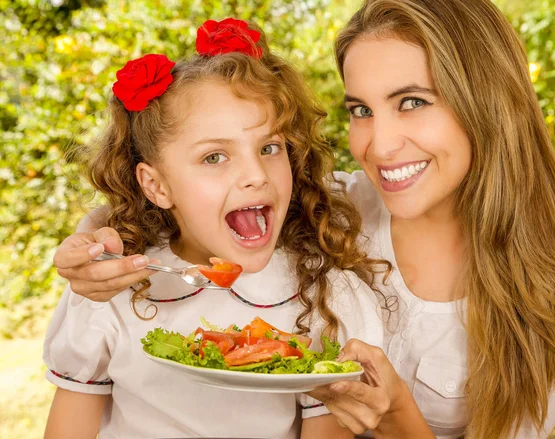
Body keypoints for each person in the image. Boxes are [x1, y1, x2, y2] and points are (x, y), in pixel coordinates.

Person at [43, 18, 399, 439]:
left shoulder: (321, 294)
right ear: (155, 185)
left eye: (269, 148)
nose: (256, 175)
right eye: (214, 157)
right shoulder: (110, 290)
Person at [305, 0, 555, 438]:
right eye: (361, 111)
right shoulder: (328, 211)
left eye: (411, 102)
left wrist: (397, 413)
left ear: (486, 102)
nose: (380, 147)